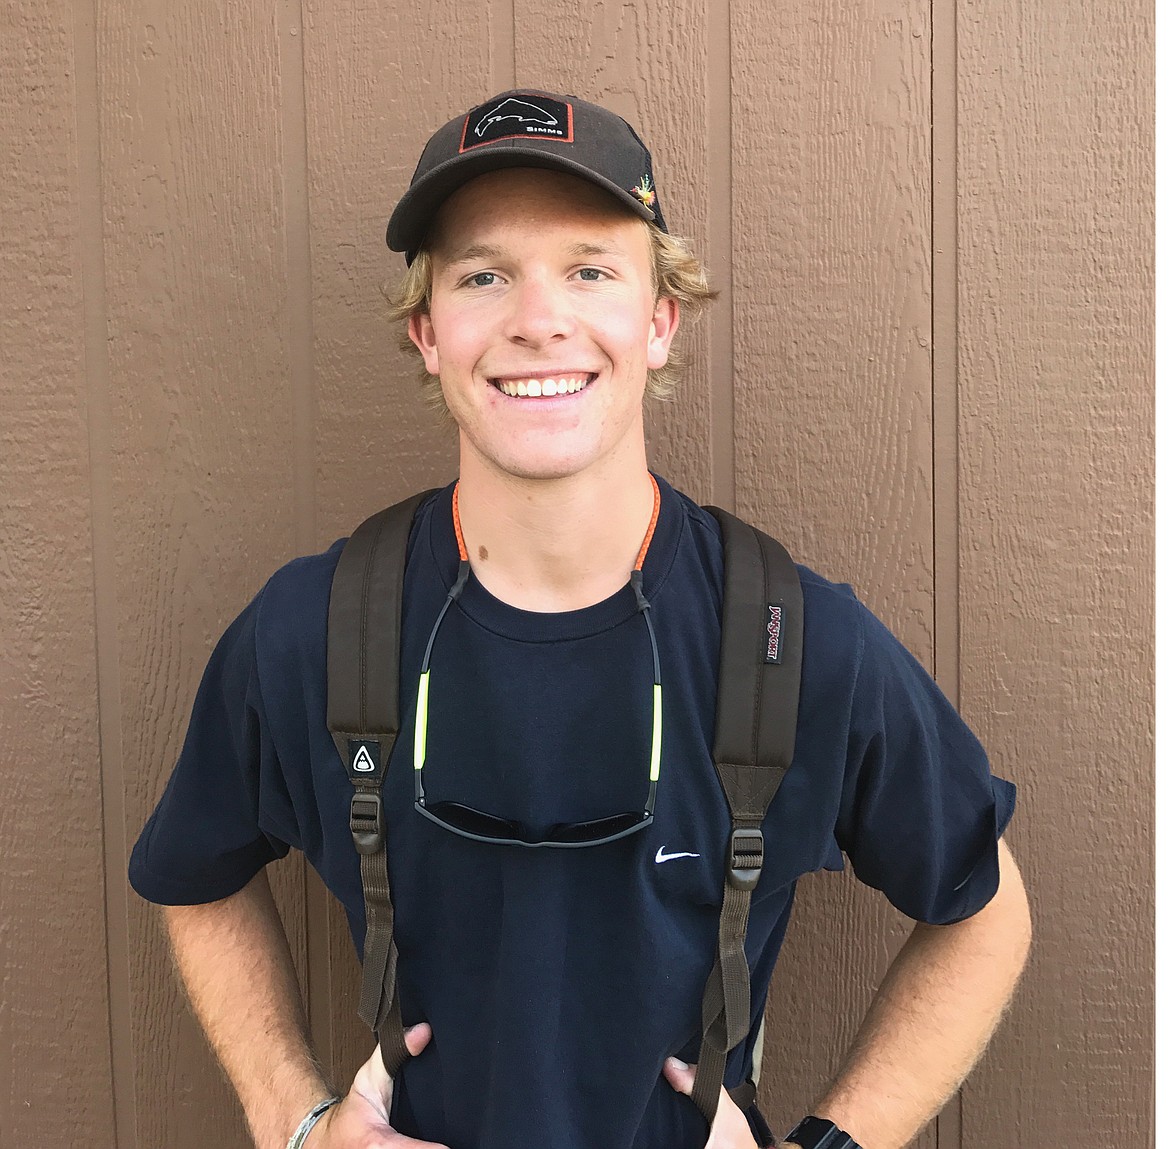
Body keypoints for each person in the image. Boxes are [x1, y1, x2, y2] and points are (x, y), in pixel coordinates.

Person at [129, 89, 1031, 1149]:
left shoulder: (789, 640)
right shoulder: (312, 631)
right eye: (483, 275)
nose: (538, 319)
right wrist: (296, 1120)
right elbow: (195, 879)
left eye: (590, 270)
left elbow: (984, 912)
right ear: (428, 331)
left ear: (659, 323)